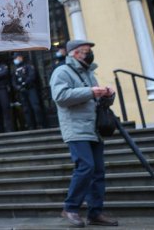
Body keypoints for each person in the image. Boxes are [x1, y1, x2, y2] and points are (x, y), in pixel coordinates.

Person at [50, 40, 118, 227]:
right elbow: (60, 97)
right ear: (74, 53)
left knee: (98, 171)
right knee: (85, 167)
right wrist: (90, 91)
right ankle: (70, 208)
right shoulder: (61, 71)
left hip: (93, 128)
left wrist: (107, 95)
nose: (88, 54)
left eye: (89, 51)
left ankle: (95, 213)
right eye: (85, 51)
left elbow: (94, 101)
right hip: (76, 128)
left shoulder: (89, 73)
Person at [12, 52, 45, 130]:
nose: (15, 60)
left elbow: (32, 76)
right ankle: (31, 125)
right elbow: (13, 81)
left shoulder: (28, 66)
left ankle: (40, 124)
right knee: (26, 109)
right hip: (22, 91)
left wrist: (24, 83)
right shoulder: (15, 70)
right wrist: (17, 87)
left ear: (20, 57)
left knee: (35, 107)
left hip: (30, 89)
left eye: (16, 58)